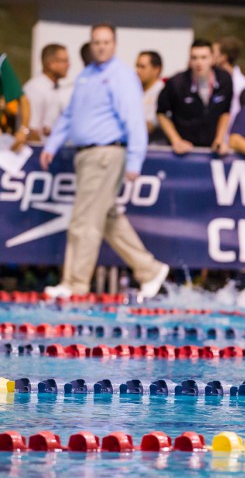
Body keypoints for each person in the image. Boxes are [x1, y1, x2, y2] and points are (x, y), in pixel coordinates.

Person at [40, 23, 169, 299]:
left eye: (106, 42)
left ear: (114, 44)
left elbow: (134, 119)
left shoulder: (120, 75)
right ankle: (149, 269)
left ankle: (74, 284)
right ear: (91, 44)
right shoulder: (86, 75)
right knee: (107, 218)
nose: (101, 47)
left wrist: (135, 160)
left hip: (105, 154)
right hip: (86, 154)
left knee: (84, 220)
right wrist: (52, 144)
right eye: (96, 42)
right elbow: (70, 115)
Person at [157, 39, 233, 154]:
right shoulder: (176, 82)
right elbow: (161, 113)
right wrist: (176, 140)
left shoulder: (224, 79)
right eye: (194, 58)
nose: (199, 63)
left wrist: (219, 139)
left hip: (211, 149)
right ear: (189, 60)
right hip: (184, 150)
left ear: (213, 59)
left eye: (203, 57)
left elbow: (225, 112)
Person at [24, 44, 70, 142]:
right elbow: (32, 129)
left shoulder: (58, 89)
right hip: (41, 152)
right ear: (51, 63)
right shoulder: (35, 89)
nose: (68, 64)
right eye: (64, 61)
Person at [213, 36, 245, 133]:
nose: (210, 55)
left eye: (213, 53)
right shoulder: (212, 79)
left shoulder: (242, 84)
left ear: (223, 57)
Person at [135, 50, 163, 142]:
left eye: (142, 67)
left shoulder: (162, 92)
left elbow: (151, 125)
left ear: (156, 69)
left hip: (156, 147)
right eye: (137, 66)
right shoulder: (134, 91)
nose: (138, 71)